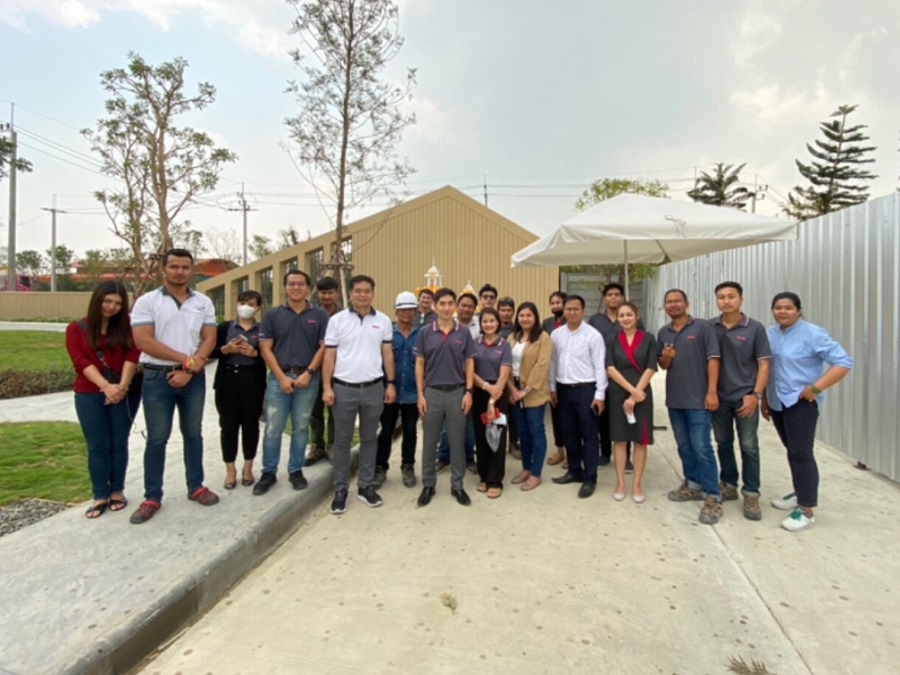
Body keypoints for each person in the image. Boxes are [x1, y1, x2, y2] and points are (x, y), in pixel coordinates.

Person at [129, 249, 218, 524]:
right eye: (174, 267)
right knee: (157, 438)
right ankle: (152, 496)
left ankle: (196, 486)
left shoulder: (202, 302)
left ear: (191, 270)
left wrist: (189, 369)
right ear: (163, 270)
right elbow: (144, 341)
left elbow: (209, 338)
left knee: (193, 433)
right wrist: (186, 360)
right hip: (157, 377)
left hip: (193, 379)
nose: (180, 272)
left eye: (185, 267)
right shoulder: (147, 302)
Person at [761, 292, 852, 532]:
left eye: (788, 308)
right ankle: (799, 492)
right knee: (792, 450)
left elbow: (843, 362)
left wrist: (815, 388)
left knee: (801, 453)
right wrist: (765, 399)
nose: (782, 312)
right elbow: (768, 368)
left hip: (800, 402)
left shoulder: (813, 334)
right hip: (777, 401)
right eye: (778, 307)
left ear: (798, 310)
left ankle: (806, 508)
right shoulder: (770, 334)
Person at [66, 281, 141, 519]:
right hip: (89, 392)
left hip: (123, 390)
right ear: (97, 299)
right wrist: (106, 387)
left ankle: (117, 490)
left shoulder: (128, 328)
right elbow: (80, 361)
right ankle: (99, 494)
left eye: (118, 303)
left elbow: (133, 355)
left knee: (119, 442)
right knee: (98, 445)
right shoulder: (77, 328)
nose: (112, 307)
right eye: (107, 301)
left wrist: (121, 388)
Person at [322, 275, 395, 514]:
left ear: (373, 293)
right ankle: (340, 489)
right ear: (351, 293)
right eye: (358, 291)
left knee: (369, 438)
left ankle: (365, 486)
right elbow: (329, 356)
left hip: (373, 388)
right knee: (342, 441)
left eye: (367, 291)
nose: (362, 295)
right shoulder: (337, 321)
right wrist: (327, 387)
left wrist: (390, 383)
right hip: (344, 388)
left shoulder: (383, 321)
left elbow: (387, 354)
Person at [255, 269, 328, 495]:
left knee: (301, 428)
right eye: (291, 284)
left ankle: (295, 470)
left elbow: (324, 347)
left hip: (308, 380)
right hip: (279, 379)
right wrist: (280, 376)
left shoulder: (319, 314)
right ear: (285, 287)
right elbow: (265, 348)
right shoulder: (272, 315)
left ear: (308, 288)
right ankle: (269, 472)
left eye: (300, 284)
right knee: (273, 428)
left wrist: (309, 372)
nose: (296, 288)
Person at [657, 289, 723, 525]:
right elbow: (663, 366)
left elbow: (713, 359)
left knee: (702, 447)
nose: (673, 305)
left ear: (687, 303)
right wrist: (667, 357)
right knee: (684, 445)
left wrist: (712, 391)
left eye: (677, 301)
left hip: (699, 400)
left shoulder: (703, 328)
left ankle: (713, 495)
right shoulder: (663, 332)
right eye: (669, 302)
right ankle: (693, 483)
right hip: (675, 400)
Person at [710, 281, 771, 521]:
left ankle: (751, 492)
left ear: (741, 300)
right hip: (719, 397)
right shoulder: (710, 327)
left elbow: (764, 364)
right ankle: (728, 484)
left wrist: (756, 395)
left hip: (745, 397)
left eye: (731, 296)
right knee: (723, 443)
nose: (726, 301)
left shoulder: (754, 328)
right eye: (721, 297)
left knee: (749, 445)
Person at [414, 288, 476, 507]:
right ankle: (428, 485)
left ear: (455, 306)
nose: (447, 307)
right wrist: (420, 394)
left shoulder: (463, 333)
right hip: (431, 392)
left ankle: (457, 485)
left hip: (457, 392)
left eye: (450, 303)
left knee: (457, 441)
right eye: (442, 303)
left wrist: (469, 392)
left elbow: (469, 362)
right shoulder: (425, 332)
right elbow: (419, 363)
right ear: (435, 306)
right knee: (430, 441)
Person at [549, 295, 607, 499]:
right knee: (568, 432)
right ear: (564, 311)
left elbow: (600, 365)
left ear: (583, 311)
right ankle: (574, 470)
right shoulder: (556, 335)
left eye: (576, 309)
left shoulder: (593, 335)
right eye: (568, 309)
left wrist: (600, 394)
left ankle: (590, 477)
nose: (572, 312)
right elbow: (553, 362)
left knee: (589, 434)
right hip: (563, 389)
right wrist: (552, 387)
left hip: (586, 389)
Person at [211, 290, 266, 490]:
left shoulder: (263, 329)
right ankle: (230, 470)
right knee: (228, 426)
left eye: (251, 304)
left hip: (252, 380)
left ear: (258, 308)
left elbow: (271, 355)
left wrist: (254, 353)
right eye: (242, 302)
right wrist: (225, 350)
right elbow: (209, 352)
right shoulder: (225, 327)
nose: (245, 307)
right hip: (227, 380)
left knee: (251, 425)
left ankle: (248, 467)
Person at [588, 282, 645, 471]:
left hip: (627, 376)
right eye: (610, 294)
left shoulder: (632, 319)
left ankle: (626, 456)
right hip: (602, 374)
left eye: (617, 294)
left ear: (622, 298)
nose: (613, 297)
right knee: (603, 415)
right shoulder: (595, 320)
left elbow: (640, 345)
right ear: (604, 298)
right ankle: (605, 452)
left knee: (625, 415)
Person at [604, 302, 657, 503]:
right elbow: (610, 368)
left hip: (642, 395)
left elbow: (651, 367)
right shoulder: (612, 340)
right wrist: (631, 391)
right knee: (620, 439)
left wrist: (636, 394)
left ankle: (636, 484)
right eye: (621, 315)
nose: (625, 318)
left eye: (629, 315)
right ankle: (620, 483)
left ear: (637, 316)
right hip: (619, 392)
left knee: (640, 440)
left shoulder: (649, 338)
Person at [375, 292, 420, 489]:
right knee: (386, 431)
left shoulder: (422, 336)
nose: (406, 313)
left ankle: (408, 466)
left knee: (410, 431)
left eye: (410, 310)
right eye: (403, 310)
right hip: (389, 391)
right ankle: (380, 467)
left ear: (416, 312)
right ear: (396, 312)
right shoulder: (387, 335)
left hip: (412, 392)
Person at [506, 302, 553, 491]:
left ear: (535, 317)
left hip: (533, 391)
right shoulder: (512, 337)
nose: (525, 319)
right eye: (522, 315)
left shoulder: (543, 338)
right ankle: (526, 468)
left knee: (536, 431)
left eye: (529, 315)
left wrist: (525, 391)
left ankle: (536, 473)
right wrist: (511, 389)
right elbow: (505, 363)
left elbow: (541, 366)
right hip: (513, 390)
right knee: (523, 432)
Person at [471, 308, 512, 498]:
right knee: (481, 436)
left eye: (492, 321)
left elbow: (504, 375)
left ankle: (495, 480)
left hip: (498, 395)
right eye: (485, 321)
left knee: (497, 436)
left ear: (498, 323)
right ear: (481, 324)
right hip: (480, 392)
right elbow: (469, 371)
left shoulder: (504, 345)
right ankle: (484, 476)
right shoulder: (474, 344)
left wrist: (493, 399)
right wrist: (486, 387)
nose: (488, 324)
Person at [436, 291, 478, 473]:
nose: (466, 309)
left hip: (471, 381)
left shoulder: (479, 327)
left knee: (468, 423)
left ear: (474, 309)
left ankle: (468, 456)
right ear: (457, 307)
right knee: (447, 424)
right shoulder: (444, 324)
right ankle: (444, 456)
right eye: (463, 305)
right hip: (449, 380)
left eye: (470, 306)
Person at [307, 276, 341, 465]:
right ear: (317, 294)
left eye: (330, 292)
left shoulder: (344, 315)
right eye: (323, 293)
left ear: (337, 293)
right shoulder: (310, 313)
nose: (327, 296)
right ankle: (317, 445)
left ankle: (332, 444)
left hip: (338, 370)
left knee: (335, 409)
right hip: (313, 368)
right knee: (315, 410)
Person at [542, 291, 567, 467]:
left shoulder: (571, 322)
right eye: (553, 303)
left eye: (558, 302)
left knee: (570, 419)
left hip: (570, 375)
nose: (555, 305)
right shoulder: (547, 323)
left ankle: (572, 454)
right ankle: (560, 451)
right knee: (556, 417)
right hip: (552, 375)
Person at [496, 296, 519, 459]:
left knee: (514, 415)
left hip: (514, 378)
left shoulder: (518, 330)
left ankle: (513, 442)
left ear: (513, 312)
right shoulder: (492, 328)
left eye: (509, 310)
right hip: (495, 378)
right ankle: (498, 443)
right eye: (503, 310)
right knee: (498, 414)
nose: (506, 313)